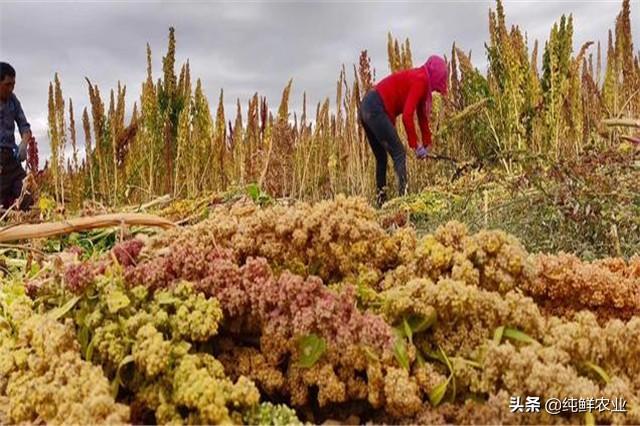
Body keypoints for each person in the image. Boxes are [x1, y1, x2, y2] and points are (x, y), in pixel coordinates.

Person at [359, 55, 448, 207]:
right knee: (399, 154)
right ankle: (403, 201)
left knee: (381, 158)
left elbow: (422, 116)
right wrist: (415, 145)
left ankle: (381, 202)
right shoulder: (421, 80)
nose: (436, 89)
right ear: (437, 76)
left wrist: (427, 143)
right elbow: (407, 115)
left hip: (366, 107)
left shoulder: (420, 77)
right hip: (375, 107)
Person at [0, 62, 33, 211]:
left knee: (26, 194)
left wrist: (24, 144)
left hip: (11, 161)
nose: (11, 89)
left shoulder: (13, 101)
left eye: (13, 84)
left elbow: (24, 126)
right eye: (7, 84)